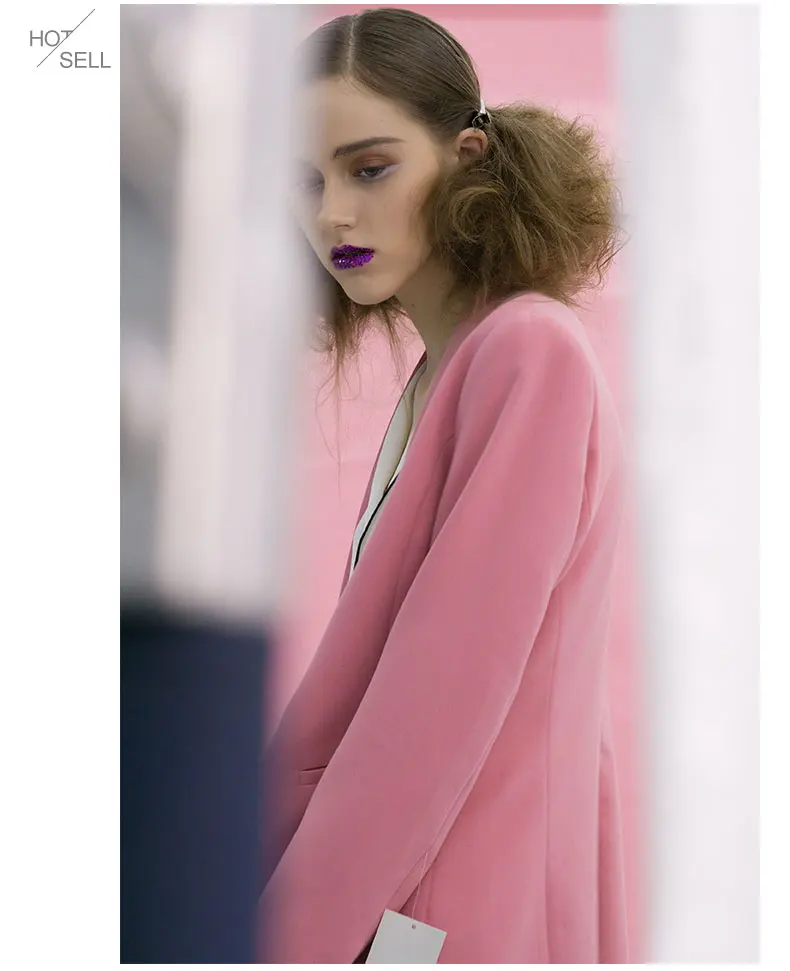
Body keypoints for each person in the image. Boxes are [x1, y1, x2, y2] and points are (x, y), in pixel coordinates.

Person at [258, 7, 629, 964]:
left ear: (467, 157)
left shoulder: (527, 354)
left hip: (447, 915)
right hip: (419, 907)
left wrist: (277, 941)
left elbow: (430, 718)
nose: (333, 216)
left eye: (370, 169)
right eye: (306, 180)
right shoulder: (451, 370)